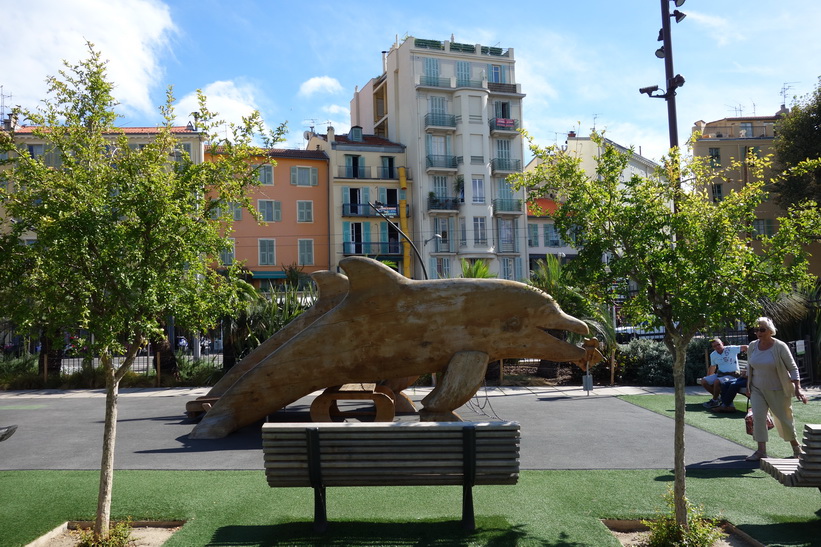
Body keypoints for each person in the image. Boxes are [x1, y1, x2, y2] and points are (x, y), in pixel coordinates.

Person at [744, 317, 808, 461]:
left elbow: (792, 368)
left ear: (770, 330)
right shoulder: (753, 346)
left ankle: (797, 448)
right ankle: (761, 450)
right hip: (757, 389)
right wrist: (747, 386)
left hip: (778, 389)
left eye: (762, 329)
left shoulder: (780, 346)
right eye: (756, 330)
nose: (758, 333)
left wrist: (798, 388)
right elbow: (750, 367)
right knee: (758, 418)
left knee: (784, 419)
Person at [701, 338, 748, 408]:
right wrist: (709, 377)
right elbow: (713, 367)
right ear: (713, 347)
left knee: (717, 382)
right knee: (704, 381)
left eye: (718, 345)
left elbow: (746, 347)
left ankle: (714, 400)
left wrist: (751, 356)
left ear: (722, 344)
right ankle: (718, 398)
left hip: (733, 375)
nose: (717, 347)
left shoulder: (731, 349)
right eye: (714, 346)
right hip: (720, 374)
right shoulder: (713, 355)